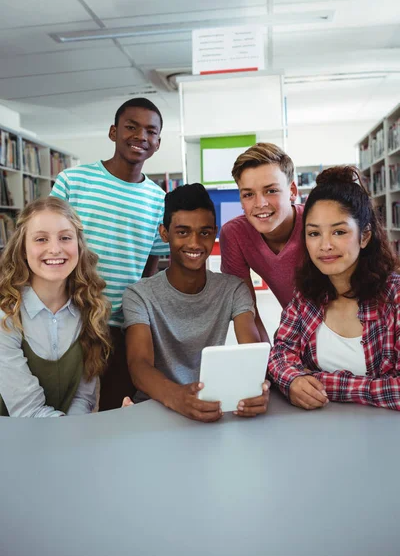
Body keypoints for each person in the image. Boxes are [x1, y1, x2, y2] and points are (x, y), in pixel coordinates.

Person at [51, 97, 169, 410]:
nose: (141, 136)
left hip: (121, 324)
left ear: (158, 142)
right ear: (113, 132)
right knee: (64, 406)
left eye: (150, 131)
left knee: (117, 408)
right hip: (70, 316)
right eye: (131, 127)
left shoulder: (159, 200)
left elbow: (151, 265)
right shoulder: (72, 181)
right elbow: (48, 247)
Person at [122, 183, 270, 422]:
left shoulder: (233, 289)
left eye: (204, 232)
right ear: (164, 233)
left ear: (215, 232)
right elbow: (139, 365)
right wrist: (178, 397)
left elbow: (251, 349)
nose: (194, 243)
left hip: (211, 405)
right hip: (155, 408)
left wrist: (257, 387)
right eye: (182, 232)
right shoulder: (139, 295)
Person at [268, 166, 400, 411]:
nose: (325, 245)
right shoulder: (306, 296)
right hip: (319, 433)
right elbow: (279, 354)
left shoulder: (395, 297)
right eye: (314, 233)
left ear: (364, 236)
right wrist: (294, 380)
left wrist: (322, 382)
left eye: (339, 231)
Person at [0, 197, 113, 417]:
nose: (54, 249)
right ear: (23, 249)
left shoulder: (91, 308)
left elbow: (83, 397)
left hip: (63, 438)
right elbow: (27, 410)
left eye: (65, 238)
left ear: (78, 246)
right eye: (41, 239)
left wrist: (74, 435)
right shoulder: (6, 316)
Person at [219, 143, 303, 342]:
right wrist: (264, 363)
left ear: (292, 190)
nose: (260, 204)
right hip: (298, 335)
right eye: (248, 194)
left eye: (271, 191)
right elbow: (247, 313)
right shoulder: (235, 234)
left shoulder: (318, 224)